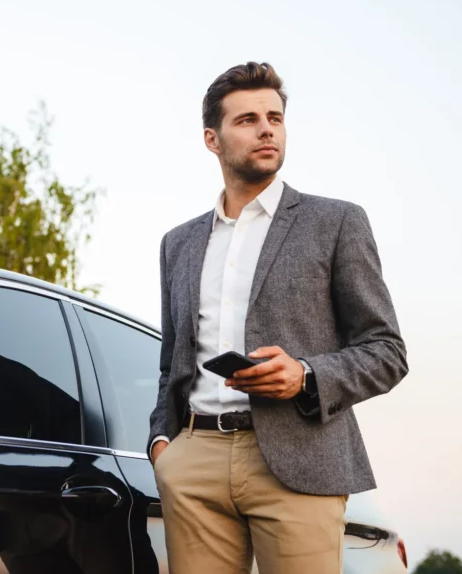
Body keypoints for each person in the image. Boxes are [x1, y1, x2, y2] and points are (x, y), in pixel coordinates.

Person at [148, 62, 408, 574]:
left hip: (301, 458)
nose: (267, 128)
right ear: (212, 139)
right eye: (247, 119)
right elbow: (171, 360)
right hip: (194, 459)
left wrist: (306, 375)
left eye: (275, 117)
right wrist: (163, 444)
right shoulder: (177, 244)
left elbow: (387, 351)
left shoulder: (335, 222)